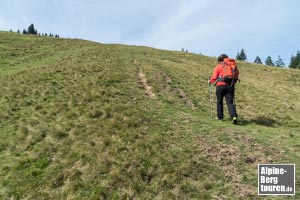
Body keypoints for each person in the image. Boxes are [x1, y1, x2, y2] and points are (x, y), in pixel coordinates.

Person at [208, 54, 238, 124]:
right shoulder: (232, 66)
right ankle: (234, 116)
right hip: (230, 85)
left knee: (219, 101)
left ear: (220, 61)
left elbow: (214, 77)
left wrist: (210, 81)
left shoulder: (218, 67)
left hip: (220, 86)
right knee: (230, 102)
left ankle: (220, 117)